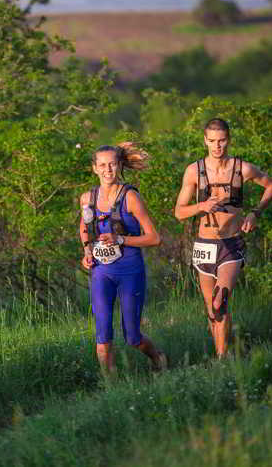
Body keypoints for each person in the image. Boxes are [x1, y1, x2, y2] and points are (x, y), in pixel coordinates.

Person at [174, 118, 272, 358]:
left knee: (220, 301)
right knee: (212, 310)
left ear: (228, 140)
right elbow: (179, 212)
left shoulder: (242, 168)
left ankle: (220, 362)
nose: (217, 146)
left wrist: (255, 212)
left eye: (221, 141)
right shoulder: (194, 171)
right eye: (212, 141)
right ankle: (223, 353)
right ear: (205, 141)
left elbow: (271, 186)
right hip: (204, 245)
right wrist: (201, 206)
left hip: (231, 244)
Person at [79, 143, 167, 376]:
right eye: (102, 165)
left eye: (112, 164)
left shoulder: (130, 197)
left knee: (132, 337)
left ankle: (158, 357)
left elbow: (154, 238)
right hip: (101, 271)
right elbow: (85, 230)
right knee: (102, 334)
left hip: (130, 271)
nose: (107, 169)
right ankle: (110, 389)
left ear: (119, 165)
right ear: (94, 168)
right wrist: (87, 252)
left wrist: (121, 240)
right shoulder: (87, 198)